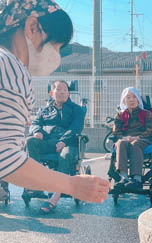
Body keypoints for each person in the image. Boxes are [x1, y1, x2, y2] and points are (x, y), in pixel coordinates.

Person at [0, 0, 109, 203]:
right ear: (32, 27)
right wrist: (72, 185)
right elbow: (4, 158)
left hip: (60, 143)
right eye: (55, 46)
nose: (56, 56)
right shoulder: (11, 69)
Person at [22, 80, 85, 213]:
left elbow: (75, 128)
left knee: (66, 155)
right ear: (52, 93)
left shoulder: (77, 109)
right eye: (58, 89)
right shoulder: (45, 110)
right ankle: (36, 184)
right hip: (49, 141)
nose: (62, 92)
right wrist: (37, 131)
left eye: (65, 90)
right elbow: (35, 123)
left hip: (68, 143)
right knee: (30, 141)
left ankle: (55, 197)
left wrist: (63, 141)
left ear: (68, 93)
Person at [111, 87, 152, 190]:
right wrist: (124, 138)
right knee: (121, 143)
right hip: (125, 139)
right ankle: (123, 177)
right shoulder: (120, 115)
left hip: (142, 139)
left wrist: (137, 137)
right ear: (124, 100)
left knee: (135, 144)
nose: (131, 100)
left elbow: (150, 130)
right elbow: (116, 131)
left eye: (134, 97)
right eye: (128, 97)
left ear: (138, 99)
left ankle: (137, 178)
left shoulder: (146, 114)